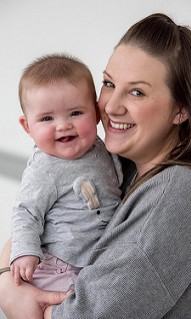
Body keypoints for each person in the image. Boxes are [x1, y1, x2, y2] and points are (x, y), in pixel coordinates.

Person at [0, 12, 191, 319]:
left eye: (137, 91)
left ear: (182, 109)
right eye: (109, 83)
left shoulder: (181, 193)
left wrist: (16, 301)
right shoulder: (119, 165)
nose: (111, 107)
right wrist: (6, 282)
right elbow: (33, 221)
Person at [9, 53, 122, 291]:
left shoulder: (102, 147)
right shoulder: (44, 167)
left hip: (95, 260)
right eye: (47, 118)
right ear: (27, 126)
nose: (63, 125)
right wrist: (25, 251)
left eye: (75, 113)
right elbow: (27, 212)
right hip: (60, 265)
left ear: (96, 113)